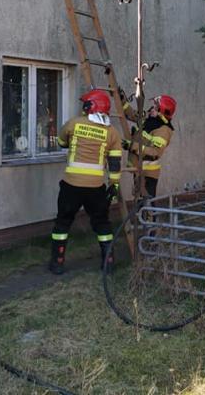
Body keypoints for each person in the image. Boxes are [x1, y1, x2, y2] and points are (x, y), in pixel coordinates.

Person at [49, 89, 122, 274]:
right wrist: (114, 185)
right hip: (96, 188)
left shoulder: (74, 124)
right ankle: (109, 261)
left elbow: (61, 141)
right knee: (102, 223)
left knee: (63, 223)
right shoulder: (112, 132)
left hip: (71, 185)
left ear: (91, 106)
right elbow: (114, 162)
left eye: (86, 104)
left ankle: (57, 261)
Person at [121, 92, 176, 202]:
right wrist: (122, 100)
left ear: (161, 112)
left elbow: (155, 153)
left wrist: (133, 146)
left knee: (147, 203)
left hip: (148, 173)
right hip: (139, 168)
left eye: (155, 107)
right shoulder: (150, 119)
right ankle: (141, 218)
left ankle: (150, 219)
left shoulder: (163, 130)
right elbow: (132, 115)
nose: (151, 108)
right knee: (139, 201)